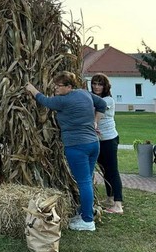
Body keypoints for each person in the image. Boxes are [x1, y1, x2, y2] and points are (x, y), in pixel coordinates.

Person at [26, 72, 107, 232]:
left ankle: (87, 221)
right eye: (55, 84)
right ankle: (86, 213)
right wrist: (95, 123)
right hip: (93, 144)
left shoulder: (63, 101)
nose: (55, 88)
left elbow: (44, 100)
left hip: (77, 147)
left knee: (84, 182)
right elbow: (102, 105)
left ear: (69, 87)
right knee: (87, 181)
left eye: (59, 86)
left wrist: (32, 89)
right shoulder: (84, 93)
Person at [90, 74, 123, 214]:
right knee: (104, 170)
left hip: (109, 139)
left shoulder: (108, 100)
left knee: (113, 170)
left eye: (100, 84)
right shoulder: (90, 98)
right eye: (94, 84)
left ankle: (118, 204)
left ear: (105, 86)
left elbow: (99, 106)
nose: (97, 87)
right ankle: (110, 198)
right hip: (98, 140)